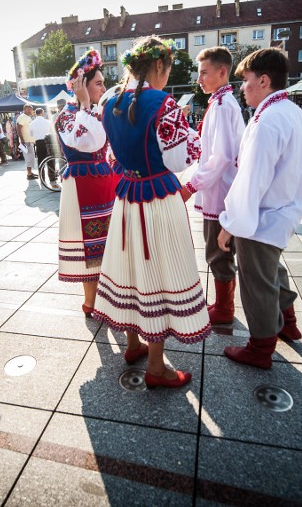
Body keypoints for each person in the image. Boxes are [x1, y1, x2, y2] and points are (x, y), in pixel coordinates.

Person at [97, 36, 209, 389]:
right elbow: (177, 161)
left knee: (130, 269)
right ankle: (157, 367)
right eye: (168, 69)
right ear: (159, 65)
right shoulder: (164, 103)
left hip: (127, 197)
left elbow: (111, 156)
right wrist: (193, 140)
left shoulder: (108, 102)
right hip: (157, 200)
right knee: (157, 274)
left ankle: (132, 344)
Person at [216, 49, 302, 369]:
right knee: (273, 270)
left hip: (263, 214)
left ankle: (260, 347)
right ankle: (288, 321)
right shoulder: (294, 113)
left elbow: (252, 178)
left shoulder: (268, 119)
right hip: (283, 210)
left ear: (264, 80)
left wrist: (230, 222)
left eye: (245, 80)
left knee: (257, 281)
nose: (242, 87)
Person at [179, 47, 244, 326]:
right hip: (222, 190)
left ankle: (225, 308)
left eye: (204, 72)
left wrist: (190, 186)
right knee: (220, 250)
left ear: (222, 72)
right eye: (199, 73)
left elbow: (220, 158)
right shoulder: (221, 102)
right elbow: (211, 150)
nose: (199, 79)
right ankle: (223, 304)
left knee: (218, 251)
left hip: (221, 193)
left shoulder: (221, 105)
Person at [53, 49, 119, 319]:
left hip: (104, 182)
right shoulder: (67, 116)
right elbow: (87, 141)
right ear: (81, 86)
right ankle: (90, 301)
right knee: (89, 244)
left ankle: (105, 297)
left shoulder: (95, 112)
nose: (103, 87)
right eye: (99, 83)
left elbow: (106, 142)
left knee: (107, 242)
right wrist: (84, 106)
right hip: (83, 188)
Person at [30, 107, 52, 175]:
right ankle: (52, 178)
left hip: (39, 142)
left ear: (36, 113)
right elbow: (51, 132)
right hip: (48, 141)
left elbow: (31, 134)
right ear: (42, 113)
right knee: (50, 160)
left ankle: (42, 177)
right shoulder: (48, 122)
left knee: (40, 160)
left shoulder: (32, 123)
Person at [17, 105, 37, 179]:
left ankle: (30, 172)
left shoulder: (28, 117)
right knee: (29, 157)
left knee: (31, 157)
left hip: (29, 140)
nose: (29, 111)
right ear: (24, 109)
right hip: (25, 141)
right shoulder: (22, 117)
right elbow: (18, 128)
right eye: (28, 109)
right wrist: (22, 139)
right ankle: (29, 174)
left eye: (30, 109)